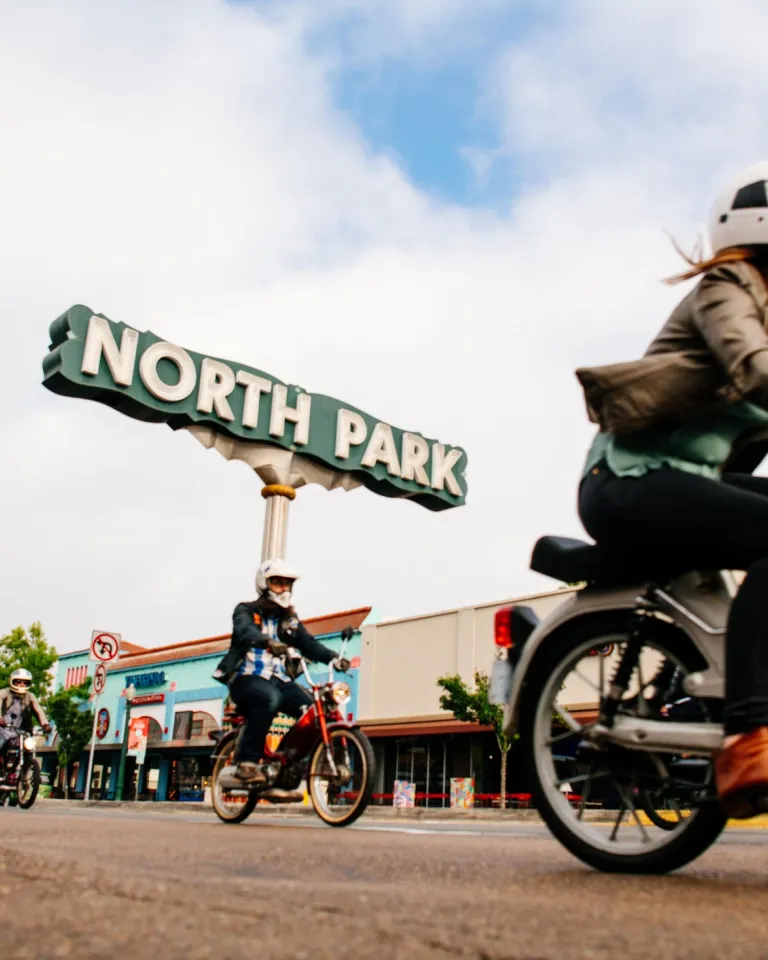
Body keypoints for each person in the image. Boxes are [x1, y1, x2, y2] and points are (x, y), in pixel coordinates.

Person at [575, 162, 768, 819]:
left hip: (683, 481)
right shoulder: (729, 288)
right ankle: (748, 732)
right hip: (628, 481)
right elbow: (751, 365)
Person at [213, 559, 349, 784]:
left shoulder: (290, 620)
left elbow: (308, 644)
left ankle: (287, 762)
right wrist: (267, 642)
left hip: (279, 679)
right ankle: (247, 761)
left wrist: (334, 658)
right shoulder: (246, 610)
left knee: (313, 711)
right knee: (270, 698)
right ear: (264, 584)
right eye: (277, 583)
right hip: (246, 678)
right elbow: (245, 631)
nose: (284, 589)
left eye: (287, 584)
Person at [0, 669, 51, 760]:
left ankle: (22, 768)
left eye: (25, 682)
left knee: (29, 748)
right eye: (18, 682)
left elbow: (38, 710)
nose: (22, 685)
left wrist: (45, 724)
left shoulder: (30, 696)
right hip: (2, 729)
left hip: (19, 731)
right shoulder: (3, 693)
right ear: (12, 681)